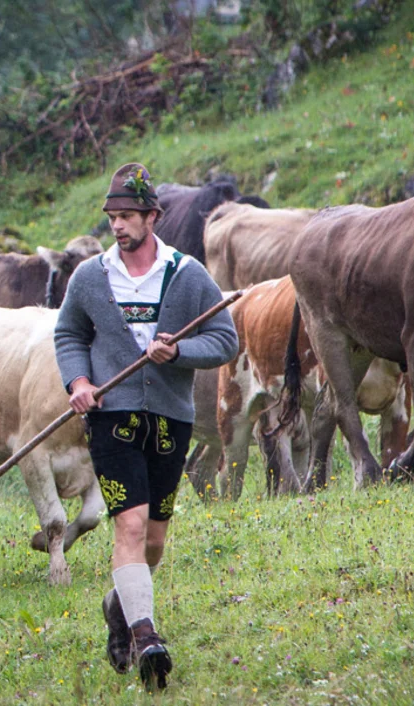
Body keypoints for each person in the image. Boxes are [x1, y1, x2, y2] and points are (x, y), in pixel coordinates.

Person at [53, 162, 239, 690]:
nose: (118, 225)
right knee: (129, 526)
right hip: (110, 418)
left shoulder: (188, 275)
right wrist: (79, 382)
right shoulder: (90, 276)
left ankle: (120, 604)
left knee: (154, 540)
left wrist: (178, 350)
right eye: (113, 216)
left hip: (170, 419)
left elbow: (225, 341)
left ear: (153, 216)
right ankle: (146, 637)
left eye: (129, 215)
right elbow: (68, 335)